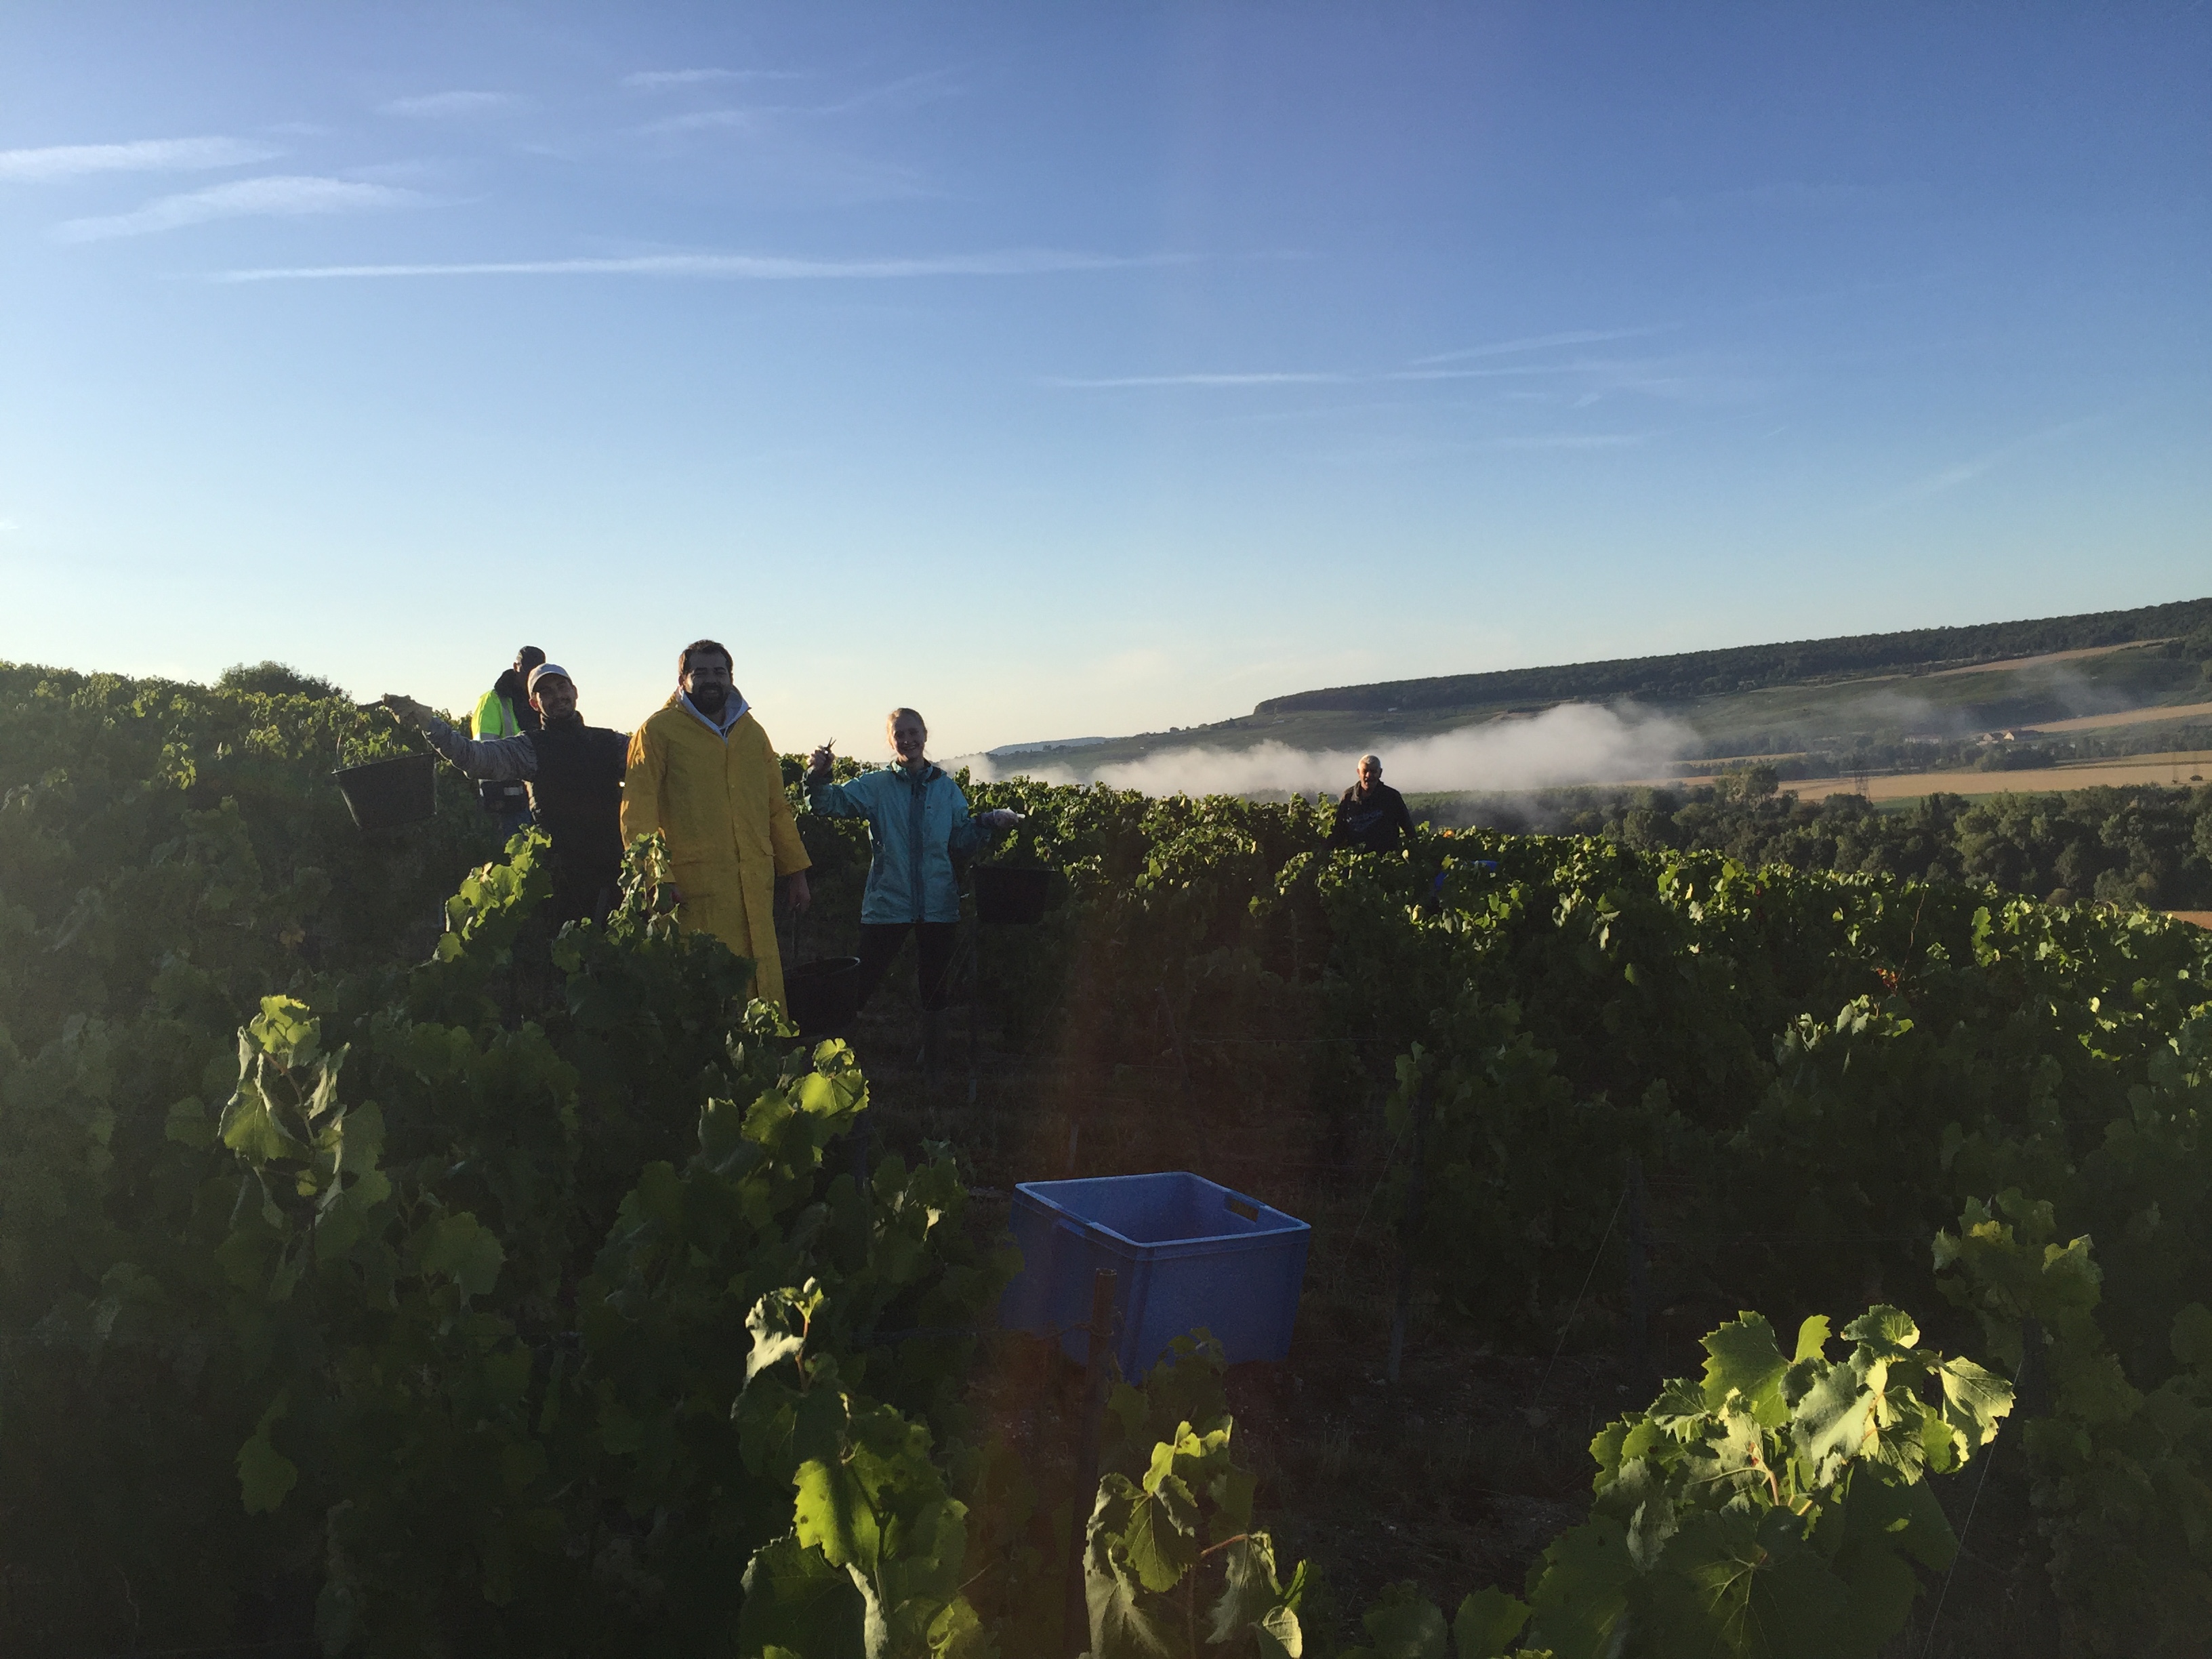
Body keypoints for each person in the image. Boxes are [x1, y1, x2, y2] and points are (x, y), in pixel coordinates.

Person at [804, 710, 1019, 1075]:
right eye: (899, 734)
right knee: (863, 980)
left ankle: (933, 1064)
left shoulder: (946, 789)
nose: (907, 740)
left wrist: (985, 823)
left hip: (939, 904)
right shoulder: (875, 786)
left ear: (925, 735)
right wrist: (817, 776)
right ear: (891, 741)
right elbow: (826, 804)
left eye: (913, 732)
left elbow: (960, 843)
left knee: (935, 986)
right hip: (888, 902)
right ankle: (831, 1062)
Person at [621, 639, 811, 1012]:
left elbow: (776, 807)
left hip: (754, 885)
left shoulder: (752, 733)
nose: (711, 680)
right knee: (704, 999)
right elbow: (637, 815)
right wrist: (656, 879)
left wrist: (797, 872)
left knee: (762, 992)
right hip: (691, 891)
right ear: (683, 679)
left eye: (719, 672)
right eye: (701, 672)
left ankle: (764, 1063)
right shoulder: (657, 732)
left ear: (730, 677)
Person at [384, 664, 630, 925]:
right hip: (562, 882)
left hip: (618, 873)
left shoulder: (610, 743)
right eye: (545, 692)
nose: (557, 696)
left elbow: (657, 761)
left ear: (575, 692)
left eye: (562, 687)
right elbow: (474, 757)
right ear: (534, 704)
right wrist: (429, 723)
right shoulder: (529, 748)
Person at [472, 647, 546, 840]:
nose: (530, 677)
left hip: (541, 797)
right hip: (510, 802)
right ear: (516, 667)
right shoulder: (493, 700)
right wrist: (493, 795)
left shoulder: (541, 700)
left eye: (535, 672)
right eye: (527, 670)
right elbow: (484, 750)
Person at [1329, 752, 1416, 852]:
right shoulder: (1348, 797)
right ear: (1358, 772)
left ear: (1380, 773)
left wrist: (1416, 852)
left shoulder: (1392, 797)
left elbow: (1407, 827)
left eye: (1373, 771)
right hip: (1356, 860)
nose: (1369, 775)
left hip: (1386, 860)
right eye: (1365, 771)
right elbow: (1339, 830)